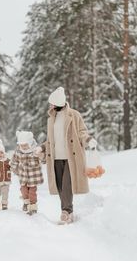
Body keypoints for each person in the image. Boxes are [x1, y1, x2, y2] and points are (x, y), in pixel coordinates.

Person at [37, 86, 97, 224]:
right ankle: (67, 210)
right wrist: (41, 148)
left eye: (52, 103)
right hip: (55, 158)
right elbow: (50, 140)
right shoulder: (51, 118)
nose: (50, 105)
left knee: (67, 185)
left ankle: (66, 212)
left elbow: (82, 131)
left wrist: (88, 139)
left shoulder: (74, 115)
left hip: (71, 157)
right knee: (59, 186)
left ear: (58, 102)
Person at [10, 130, 45, 215]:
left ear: (29, 143)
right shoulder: (18, 151)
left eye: (25, 145)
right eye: (21, 145)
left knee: (32, 193)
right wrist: (13, 168)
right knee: (24, 191)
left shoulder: (35, 151)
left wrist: (41, 156)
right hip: (23, 177)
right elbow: (14, 161)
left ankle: (33, 207)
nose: (23, 147)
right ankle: (26, 202)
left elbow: (43, 160)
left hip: (33, 177)